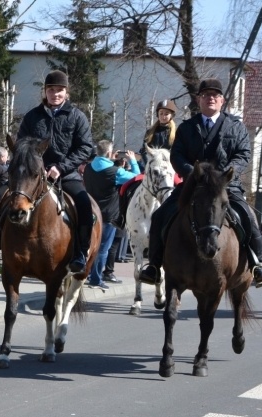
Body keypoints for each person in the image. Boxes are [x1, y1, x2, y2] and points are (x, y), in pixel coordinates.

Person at [139, 78, 262, 287]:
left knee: (249, 218)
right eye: (206, 95)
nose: (211, 98)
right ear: (199, 100)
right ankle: (154, 266)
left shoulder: (235, 127)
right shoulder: (186, 127)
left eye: (215, 95)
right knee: (160, 215)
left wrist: (227, 173)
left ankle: (258, 264)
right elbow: (177, 156)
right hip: (194, 186)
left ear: (222, 101)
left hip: (226, 187)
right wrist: (193, 173)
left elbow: (244, 154)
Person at [16, 70, 95, 272]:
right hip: (34, 175)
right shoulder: (32, 116)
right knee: (2, 196)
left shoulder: (77, 117)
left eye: (60, 90)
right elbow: (22, 144)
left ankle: (80, 252)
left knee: (85, 205)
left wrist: (61, 167)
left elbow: (86, 148)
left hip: (66, 174)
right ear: (45, 91)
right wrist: (37, 166)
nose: (55, 94)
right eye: (51, 90)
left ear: (66, 93)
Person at [83, 141, 140, 289]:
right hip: (108, 215)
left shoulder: (88, 168)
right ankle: (96, 279)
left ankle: (87, 273)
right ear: (109, 154)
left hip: (90, 212)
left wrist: (111, 160)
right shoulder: (115, 172)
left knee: (90, 245)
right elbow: (137, 177)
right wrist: (133, 161)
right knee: (103, 249)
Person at [138, 99, 177, 170]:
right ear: (157, 114)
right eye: (161, 113)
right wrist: (149, 165)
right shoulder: (149, 132)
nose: (163, 116)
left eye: (166, 114)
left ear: (171, 115)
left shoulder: (176, 133)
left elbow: (178, 153)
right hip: (152, 166)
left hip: (169, 168)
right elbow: (144, 151)